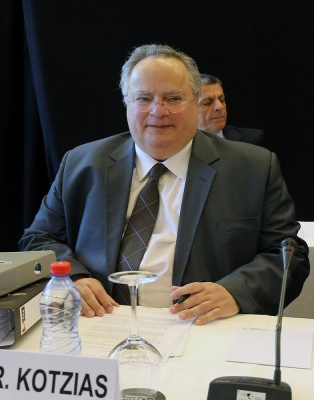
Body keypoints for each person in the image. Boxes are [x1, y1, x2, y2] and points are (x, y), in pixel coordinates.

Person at [19, 44, 309, 326]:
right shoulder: (82, 164)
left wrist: (235, 292)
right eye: (143, 98)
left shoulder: (252, 168)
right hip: (98, 324)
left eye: (173, 98)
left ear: (195, 102)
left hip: (203, 329)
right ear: (127, 103)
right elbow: (38, 239)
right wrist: (73, 277)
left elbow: (288, 255)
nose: (158, 111)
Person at [198, 73, 264, 146]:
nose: (220, 107)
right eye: (207, 102)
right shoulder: (187, 144)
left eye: (222, 100)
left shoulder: (252, 140)